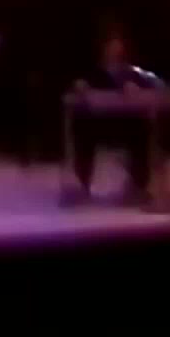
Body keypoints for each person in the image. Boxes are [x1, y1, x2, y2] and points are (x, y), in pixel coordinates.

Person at [64, 27, 157, 205]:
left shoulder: (132, 71)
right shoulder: (92, 70)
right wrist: (80, 87)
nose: (114, 49)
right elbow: (77, 87)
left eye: (117, 44)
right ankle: (82, 185)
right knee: (82, 129)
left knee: (142, 129)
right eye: (110, 45)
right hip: (97, 124)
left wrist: (136, 88)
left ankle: (138, 186)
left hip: (123, 124)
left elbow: (149, 86)